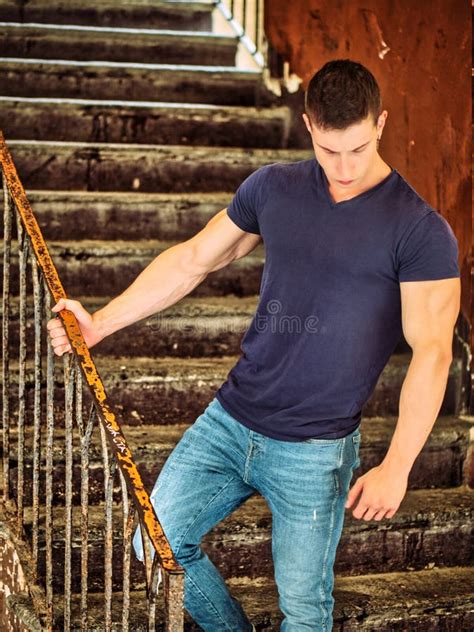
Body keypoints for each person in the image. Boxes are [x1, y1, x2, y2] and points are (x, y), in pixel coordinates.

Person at [47, 59, 461, 631]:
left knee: (304, 610)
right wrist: (99, 323)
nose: (344, 168)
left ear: (382, 124)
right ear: (309, 125)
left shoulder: (418, 229)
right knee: (158, 544)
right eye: (330, 149)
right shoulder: (274, 188)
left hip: (316, 450)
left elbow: (434, 350)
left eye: (359, 149)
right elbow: (194, 260)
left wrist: (397, 465)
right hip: (230, 421)